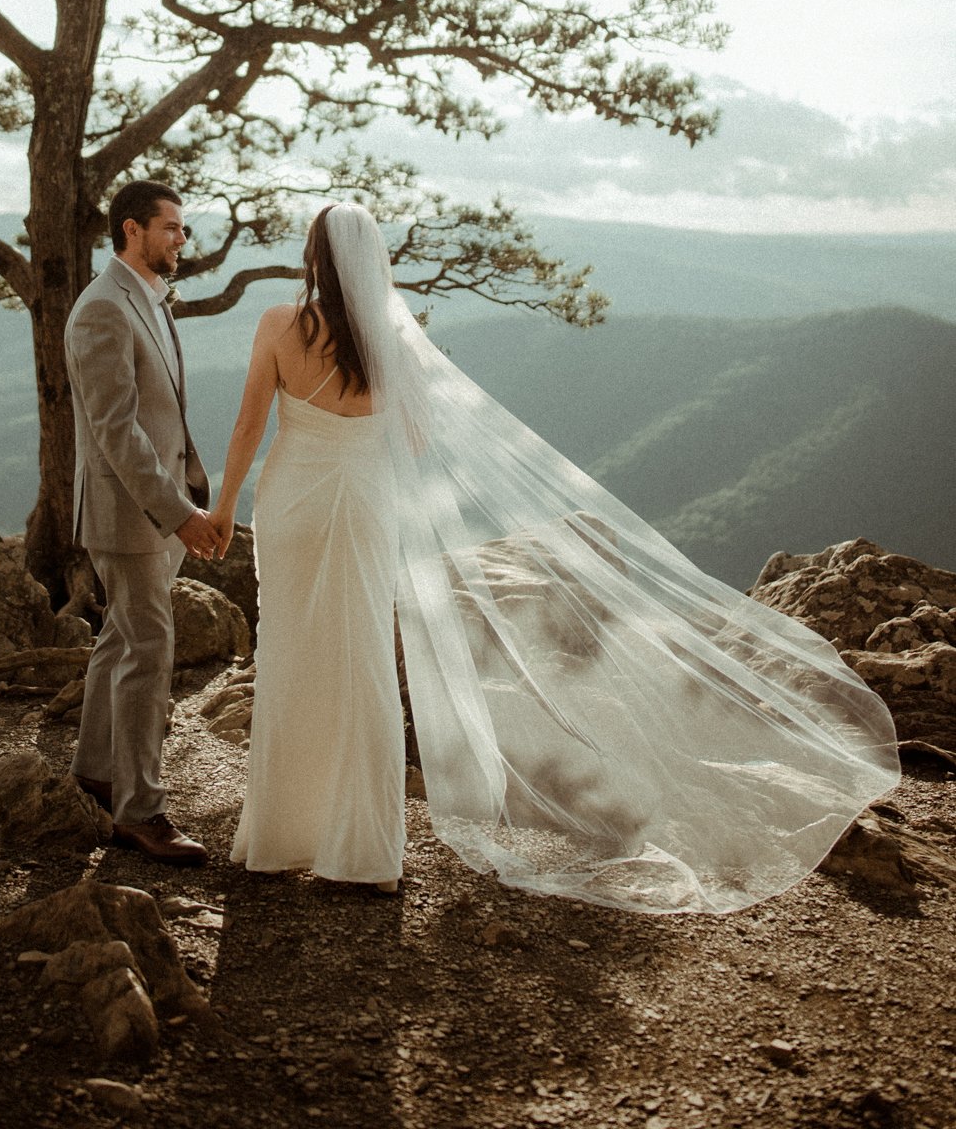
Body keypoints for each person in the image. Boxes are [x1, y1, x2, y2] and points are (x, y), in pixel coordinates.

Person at [211, 203, 900, 915]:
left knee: (292, 656)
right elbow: (414, 441)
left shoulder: (277, 325)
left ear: (314, 257)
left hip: (293, 503)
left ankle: (278, 839)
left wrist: (224, 509)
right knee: (361, 669)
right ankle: (366, 854)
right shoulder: (387, 336)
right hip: (361, 504)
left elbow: (245, 427)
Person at [66, 179, 220, 866]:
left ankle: (97, 772)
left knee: (120, 641)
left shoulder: (149, 299)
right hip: (127, 512)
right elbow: (115, 431)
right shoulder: (102, 309)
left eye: (182, 230)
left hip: (157, 506)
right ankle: (140, 811)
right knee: (150, 649)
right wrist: (179, 514)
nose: (181, 240)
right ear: (131, 229)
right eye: (171, 229)